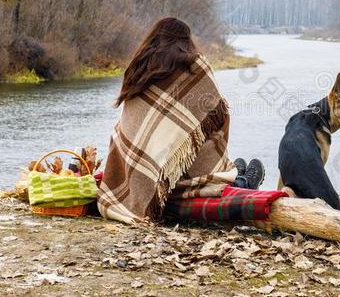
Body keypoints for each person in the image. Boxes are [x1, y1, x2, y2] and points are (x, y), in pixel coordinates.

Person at [97, 17, 263, 224]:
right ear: (186, 40)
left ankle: (235, 174)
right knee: (208, 142)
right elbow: (219, 114)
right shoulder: (195, 65)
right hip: (173, 181)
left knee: (183, 136)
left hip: (139, 175)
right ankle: (241, 181)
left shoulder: (137, 67)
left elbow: (130, 126)